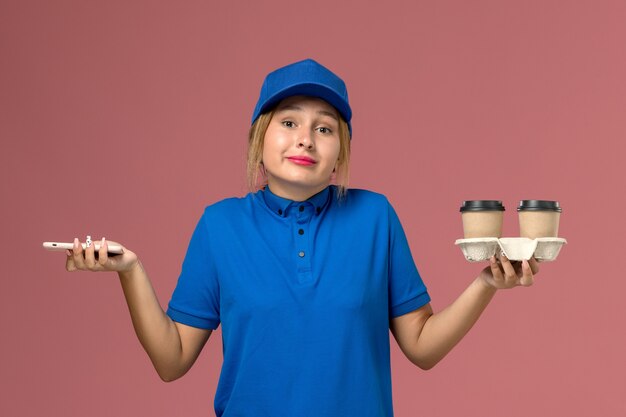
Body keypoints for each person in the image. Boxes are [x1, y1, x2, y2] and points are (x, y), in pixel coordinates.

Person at [64, 58, 539, 417]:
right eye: (289, 122)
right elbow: (172, 360)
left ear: (340, 152)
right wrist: (130, 271)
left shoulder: (375, 217)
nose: (305, 139)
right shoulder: (219, 225)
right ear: (260, 137)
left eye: (324, 128)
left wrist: (486, 285)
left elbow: (422, 346)